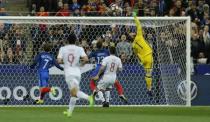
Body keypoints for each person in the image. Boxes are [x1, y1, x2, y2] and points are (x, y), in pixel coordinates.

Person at [57, 33, 94, 117]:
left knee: (74, 92)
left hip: (69, 73)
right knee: (73, 93)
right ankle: (69, 112)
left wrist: (65, 62)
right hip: (77, 72)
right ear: (76, 40)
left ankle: (89, 97)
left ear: (67, 40)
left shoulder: (63, 48)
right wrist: (81, 64)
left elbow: (58, 61)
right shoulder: (79, 48)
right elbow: (86, 59)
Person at [89, 41, 128, 106]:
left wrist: (98, 74)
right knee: (109, 87)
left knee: (96, 86)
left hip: (102, 71)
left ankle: (102, 100)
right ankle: (110, 100)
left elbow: (101, 67)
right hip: (112, 75)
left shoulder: (101, 55)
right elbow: (120, 69)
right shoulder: (114, 57)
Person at [132, 12, 153, 96]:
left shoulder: (133, 45)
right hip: (149, 56)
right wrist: (135, 17)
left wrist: (140, 60)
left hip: (143, 59)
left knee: (146, 73)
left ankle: (149, 89)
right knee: (149, 74)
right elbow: (139, 25)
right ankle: (149, 88)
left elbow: (135, 53)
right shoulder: (139, 36)